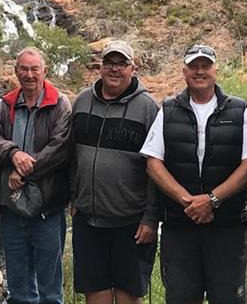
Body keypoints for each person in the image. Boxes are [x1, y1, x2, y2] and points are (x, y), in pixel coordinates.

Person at [143, 44, 247, 304]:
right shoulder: (168, 110)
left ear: (216, 71)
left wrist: (212, 200)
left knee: (229, 298)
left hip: (228, 227)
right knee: (181, 298)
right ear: (184, 72)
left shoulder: (239, 111)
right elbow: (153, 163)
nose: (199, 72)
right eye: (193, 67)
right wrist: (189, 202)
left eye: (206, 66)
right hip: (180, 227)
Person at [69, 40, 159, 304]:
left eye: (122, 64)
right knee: (95, 293)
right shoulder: (82, 101)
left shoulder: (148, 108)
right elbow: (71, 155)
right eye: (109, 63)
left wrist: (150, 217)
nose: (115, 69)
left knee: (128, 295)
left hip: (130, 222)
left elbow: (157, 167)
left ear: (133, 68)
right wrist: (74, 196)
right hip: (88, 219)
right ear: (101, 66)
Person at [0, 47, 71, 304]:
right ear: (16, 72)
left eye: (35, 69)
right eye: (24, 69)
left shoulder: (59, 103)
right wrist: (13, 155)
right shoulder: (7, 104)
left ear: (45, 71)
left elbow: (60, 148)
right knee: (19, 288)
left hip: (48, 207)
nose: (29, 74)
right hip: (12, 207)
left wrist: (22, 173)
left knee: (50, 289)